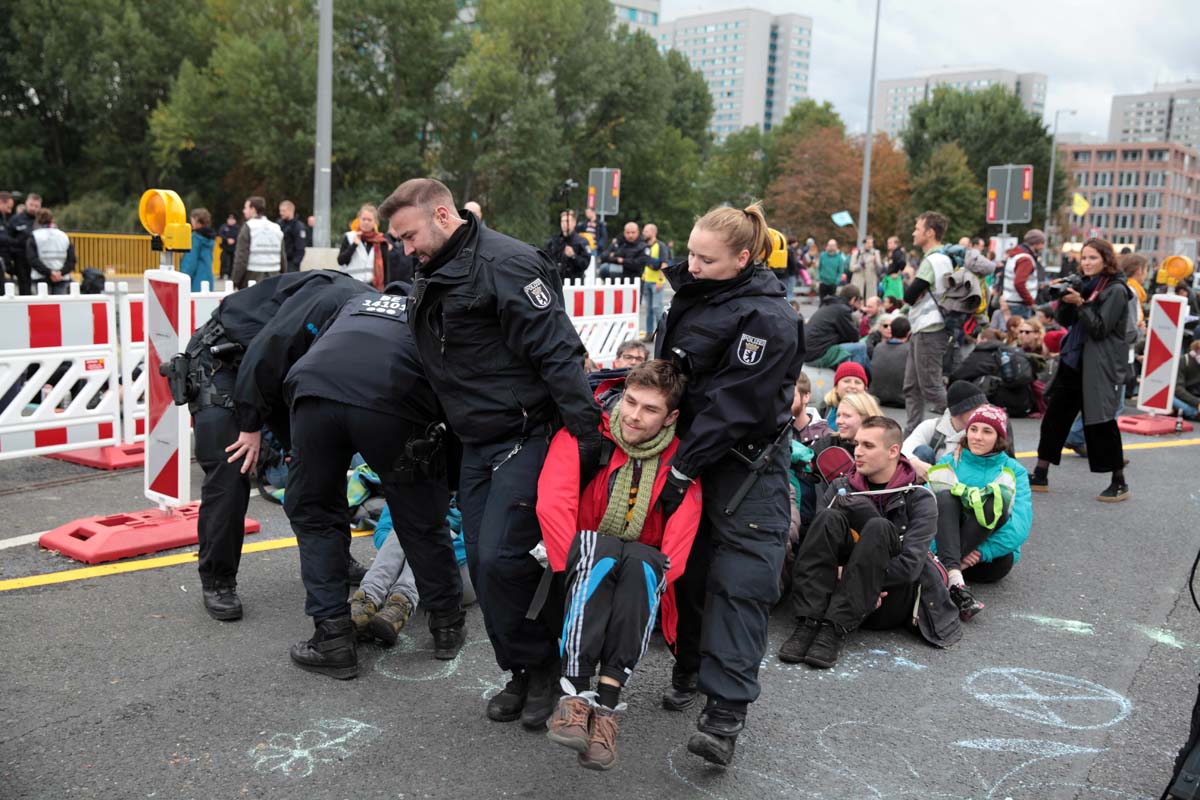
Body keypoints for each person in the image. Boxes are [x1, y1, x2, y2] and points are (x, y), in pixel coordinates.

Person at [384, 178, 601, 730]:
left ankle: (547, 667)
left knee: (505, 558)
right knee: (482, 564)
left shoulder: (508, 264)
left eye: (409, 236)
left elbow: (558, 352)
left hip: (527, 433)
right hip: (474, 440)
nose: (405, 249)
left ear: (442, 215)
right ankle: (520, 669)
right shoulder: (432, 267)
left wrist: (588, 439)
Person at [655, 203, 802, 766]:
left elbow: (733, 406)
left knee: (740, 585)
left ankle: (724, 715)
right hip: (689, 456)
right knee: (687, 573)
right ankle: (690, 667)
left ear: (743, 258)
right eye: (690, 252)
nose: (691, 265)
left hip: (746, 466)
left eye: (706, 258)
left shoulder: (770, 318)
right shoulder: (696, 295)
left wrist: (684, 465)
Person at [283, 288, 466, 679]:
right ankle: (447, 626)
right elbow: (452, 390)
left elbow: (307, 348)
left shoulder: (354, 304)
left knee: (316, 514)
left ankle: (332, 639)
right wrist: (446, 477)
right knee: (420, 518)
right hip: (393, 398)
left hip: (315, 390)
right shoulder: (434, 315)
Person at [180, 270, 374, 621]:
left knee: (322, 463)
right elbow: (264, 353)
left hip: (280, 369)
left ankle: (334, 559)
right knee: (232, 467)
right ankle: (218, 580)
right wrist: (250, 426)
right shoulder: (331, 306)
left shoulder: (375, 318)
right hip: (226, 361)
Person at [538, 360, 702, 771]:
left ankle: (605, 712)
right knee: (604, 552)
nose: (633, 415)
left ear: (671, 417)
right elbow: (553, 502)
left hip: (637, 574)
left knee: (644, 564)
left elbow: (683, 532)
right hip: (584, 558)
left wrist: (660, 578)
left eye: (650, 409)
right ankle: (574, 696)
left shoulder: (682, 458)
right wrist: (572, 565)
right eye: (630, 401)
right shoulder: (588, 433)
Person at [778, 416, 960, 668]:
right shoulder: (840, 486)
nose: (858, 452)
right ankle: (808, 622)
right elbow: (818, 550)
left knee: (878, 526)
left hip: (888, 598)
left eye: (868, 446)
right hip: (838, 592)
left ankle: (834, 630)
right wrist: (850, 579)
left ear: (893, 451)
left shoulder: (919, 497)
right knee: (828, 518)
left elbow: (910, 567)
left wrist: (863, 581)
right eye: (857, 444)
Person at [1031, 238, 1131, 502]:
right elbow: (1065, 321)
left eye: (1093, 258)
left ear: (1106, 260)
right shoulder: (1084, 284)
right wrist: (1066, 299)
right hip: (1073, 361)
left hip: (1097, 365)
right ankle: (1040, 473)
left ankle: (1119, 481)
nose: (1086, 263)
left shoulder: (1116, 290)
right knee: (1054, 418)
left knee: (1101, 423)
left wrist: (1081, 303)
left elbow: (1100, 328)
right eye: (1084, 257)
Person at [928, 404, 1031, 620]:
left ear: (999, 437)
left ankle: (942, 573)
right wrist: (947, 552)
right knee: (945, 497)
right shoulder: (948, 462)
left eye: (987, 431)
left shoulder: (1015, 471)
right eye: (973, 429)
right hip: (945, 550)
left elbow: (1019, 527)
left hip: (988, 560)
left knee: (996, 500)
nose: (977, 437)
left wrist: (981, 552)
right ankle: (955, 583)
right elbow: (925, 514)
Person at [902, 211, 954, 435]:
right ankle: (912, 434)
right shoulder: (942, 259)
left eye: (917, 228)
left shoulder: (933, 260)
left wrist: (907, 278)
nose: (914, 233)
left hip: (930, 329)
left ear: (930, 233)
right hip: (924, 328)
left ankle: (964, 424)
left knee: (931, 387)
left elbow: (910, 295)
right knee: (912, 386)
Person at [902, 380, 990, 481]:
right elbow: (903, 450)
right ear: (960, 411)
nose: (983, 413)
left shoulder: (985, 433)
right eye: (977, 408)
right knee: (923, 452)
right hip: (928, 481)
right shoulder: (932, 426)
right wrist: (916, 463)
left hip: (966, 483)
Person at [804, 285, 869, 371]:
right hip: (817, 356)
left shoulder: (829, 306)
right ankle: (858, 375)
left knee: (845, 354)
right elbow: (854, 337)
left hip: (808, 353)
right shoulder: (842, 310)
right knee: (861, 347)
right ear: (853, 299)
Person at [232, 195, 286, 289]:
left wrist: (235, 281)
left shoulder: (248, 227)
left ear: (253, 209)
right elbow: (282, 256)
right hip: (274, 275)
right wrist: (282, 274)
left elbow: (241, 257)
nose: (244, 211)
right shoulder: (275, 227)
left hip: (253, 276)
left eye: (246, 208)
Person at [998, 229, 1046, 320]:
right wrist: (1030, 302)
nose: (1043, 247)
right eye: (1042, 243)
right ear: (1035, 243)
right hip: (1020, 305)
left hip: (1012, 301)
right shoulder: (1025, 259)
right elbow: (1019, 283)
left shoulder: (1016, 255)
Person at [337, 203, 389, 287]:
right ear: (359, 220)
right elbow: (341, 261)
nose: (366, 222)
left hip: (372, 287)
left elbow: (386, 270)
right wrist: (354, 245)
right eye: (363, 219)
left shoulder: (380, 241)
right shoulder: (350, 237)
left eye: (369, 220)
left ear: (375, 222)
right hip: (351, 285)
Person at [27, 209, 75, 295]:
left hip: (41, 277)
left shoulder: (34, 236)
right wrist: (60, 273)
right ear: (52, 219)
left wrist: (49, 273)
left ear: (37, 220)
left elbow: (32, 259)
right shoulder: (64, 236)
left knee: (43, 303)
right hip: (61, 277)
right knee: (60, 302)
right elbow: (72, 259)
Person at [870, 315, 909, 408]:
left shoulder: (878, 347)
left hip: (877, 397)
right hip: (903, 400)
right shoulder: (910, 349)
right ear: (908, 333)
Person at [6, 193, 42, 295]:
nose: (33, 208)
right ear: (26, 203)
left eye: (36, 206)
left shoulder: (42, 220)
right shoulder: (15, 219)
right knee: (25, 287)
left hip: (39, 259)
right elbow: (8, 240)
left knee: (42, 288)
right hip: (21, 259)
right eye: (31, 205)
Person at [641, 223, 671, 338]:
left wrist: (660, 280)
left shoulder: (661, 246)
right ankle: (649, 334)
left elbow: (664, 263)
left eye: (646, 231)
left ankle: (662, 333)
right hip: (647, 281)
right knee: (648, 309)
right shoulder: (645, 246)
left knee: (656, 308)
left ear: (653, 233)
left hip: (656, 282)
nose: (643, 233)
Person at [544, 209, 590, 282]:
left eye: (567, 221)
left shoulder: (582, 242)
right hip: (557, 281)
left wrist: (573, 256)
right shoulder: (553, 241)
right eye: (562, 221)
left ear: (574, 223)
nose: (564, 224)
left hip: (575, 282)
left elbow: (585, 264)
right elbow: (546, 261)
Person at [820, 362, 869, 430]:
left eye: (857, 382)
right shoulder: (824, 408)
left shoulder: (872, 415)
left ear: (865, 389)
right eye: (846, 381)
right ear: (836, 387)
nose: (852, 386)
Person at [179, 208, 217, 293]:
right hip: (208, 279)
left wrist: (183, 278)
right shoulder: (210, 238)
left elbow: (190, 262)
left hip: (196, 280)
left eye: (192, 220)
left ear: (196, 219)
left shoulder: (195, 238)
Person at [791, 372, 830, 447]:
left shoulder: (825, 437)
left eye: (791, 395)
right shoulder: (772, 432)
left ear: (806, 397)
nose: (785, 401)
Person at [278, 200, 308, 273]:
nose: (281, 213)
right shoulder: (279, 224)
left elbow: (300, 249)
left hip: (291, 264)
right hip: (279, 263)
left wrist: (294, 265)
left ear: (291, 211)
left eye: (283, 211)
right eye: (280, 211)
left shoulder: (298, 227)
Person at [384, 219, 417, 285]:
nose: (397, 231)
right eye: (394, 228)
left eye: (399, 228)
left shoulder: (407, 241)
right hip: (390, 283)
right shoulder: (384, 242)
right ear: (389, 228)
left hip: (407, 283)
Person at [1173, 340, 1200, 421]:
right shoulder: (1183, 360)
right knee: (1169, 397)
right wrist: (1197, 402)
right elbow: (1178, 389)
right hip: (1186, 397)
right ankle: (1194, 413)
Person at [217, 213, 240, 280]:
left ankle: (231, 275)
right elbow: (220, 234)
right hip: (225, 247)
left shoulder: (237, 228)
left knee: (233, 262)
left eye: (232, 219)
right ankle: (222, 274)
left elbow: (239, 235)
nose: (231, 221)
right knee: (223, 261)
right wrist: (227, 239)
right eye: (229, 219)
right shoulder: (224, 227)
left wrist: (234, 240)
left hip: (234, 248)